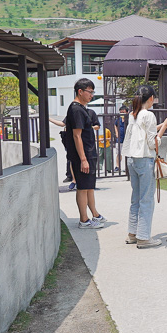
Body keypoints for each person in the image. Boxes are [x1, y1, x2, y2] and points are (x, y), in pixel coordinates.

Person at [121, 84, 167, 248]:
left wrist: (162, 125)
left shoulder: (133, 114)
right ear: (151, 98)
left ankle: (132, 233)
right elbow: (152, 143)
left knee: (136, 198)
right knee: (146, 199)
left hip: (132, 159)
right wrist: (164, 127)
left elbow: (142, 133)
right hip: (145, 160)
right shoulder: (149, 115)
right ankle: (144, 237)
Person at [65, 79, 105, 227]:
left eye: (93, 92)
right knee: (82, 188)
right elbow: (77, 135)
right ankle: (84, 220)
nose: (92, 95)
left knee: (88, 186)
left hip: (88, 153)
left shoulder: (82, 109)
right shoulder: (76, 109)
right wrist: (83, 159)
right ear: (80, 92)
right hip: (82, 156)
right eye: (90, 92)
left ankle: (94, 215)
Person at [49, 115, 76, 190]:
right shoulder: (71, 114)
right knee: (71, 159)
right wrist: (50, 119)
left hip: (81, 139)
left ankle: (77, 179)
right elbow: (62, 123)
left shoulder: (88, 113)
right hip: (70, 140)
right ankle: (73, 179)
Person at [113, 105, 128, 173]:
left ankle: (127, 167)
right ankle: (117, 166)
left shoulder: (129, 119)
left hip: (127, 139)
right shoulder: (118, 119)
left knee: (128, 153)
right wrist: (116, 133)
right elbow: (115, 125)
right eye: (121, 112)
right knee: (118, 153)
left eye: (123, 112)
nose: (122, 114)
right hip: (120, 139)